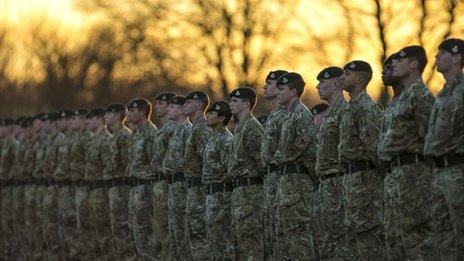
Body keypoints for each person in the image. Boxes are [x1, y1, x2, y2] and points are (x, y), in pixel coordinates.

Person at [378, 46, 437, 260]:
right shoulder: (401, 99)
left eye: (399, 60)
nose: (393, 63)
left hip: (414, 175)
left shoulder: (421, 95)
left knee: (416, 241)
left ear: (413, 64)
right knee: (395, 239)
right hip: (396, 176)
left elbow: (431, 139)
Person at [339, 60, 384, 259]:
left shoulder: (365, 108)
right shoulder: (352, 107)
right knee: (353, 240)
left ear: (358, 78)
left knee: (368, 239)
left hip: (365, 182)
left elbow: (375, 149)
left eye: (346, 74)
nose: (342, 77)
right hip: (352, 182)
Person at [424, 38, 464, 260]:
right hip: (440, 173)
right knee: (443, 239)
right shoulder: (442, 93)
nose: (436, 57)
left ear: (457, 57)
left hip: (458, 171)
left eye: (442, 54)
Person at [273, 73, 318, 259]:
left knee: (299, 236)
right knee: (288, 238)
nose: (277, 92)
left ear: (293, 92)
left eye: (281, 89)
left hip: (298, 182)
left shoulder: (301, 115)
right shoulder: (288, 115)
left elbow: (306, 151)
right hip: (288, 182)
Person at [315, 66, 350, 259]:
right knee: (328, 242)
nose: (318, 86)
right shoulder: (329, 114)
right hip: (326, 184)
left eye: (322, 82)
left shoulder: (344, 111)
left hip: (339, 182)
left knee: (341, 240)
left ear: (336, 84)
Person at [228, 86, 264, 260]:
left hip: (251, 192)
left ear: (246, 104)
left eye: (235, 101)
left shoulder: (252, 127)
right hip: (240, 192)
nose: (231, 104)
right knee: (242, 241)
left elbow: (261, 160)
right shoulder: (240, 127)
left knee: (251, 242)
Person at [379, 52, 405, 260]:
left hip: (410, 174)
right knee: (392, 237)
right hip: (391, 176)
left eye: (389, 68)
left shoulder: (415, 98)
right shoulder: (392, 103)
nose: (384, 73)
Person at [259, 69, 287, 260]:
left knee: (284, 236)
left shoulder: (285, 114)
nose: (265, 87)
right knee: (272, 236)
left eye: (269, 83)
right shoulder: (275, 114)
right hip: (271, 180)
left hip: (282, 179)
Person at [182, 91, 213, 259]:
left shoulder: (202, 128)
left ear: (200, 105)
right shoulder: (195, 127)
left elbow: (207, 160)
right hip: (194, 188)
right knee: (194, 236)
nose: (184, 105)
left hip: (200, 189)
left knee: (200, 237)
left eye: (189, 102)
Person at [126, 98, 158, 260]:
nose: (128, 114)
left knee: (146, 233)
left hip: (146, 189)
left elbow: (155, 164)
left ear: (143, 112)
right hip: (135, 188)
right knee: (136, 232)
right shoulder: (135, 134)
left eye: (132, 111)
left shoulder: (151, 133)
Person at [202, 100, 235, 260]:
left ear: (221, 118)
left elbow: (229, 170)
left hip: (222, 196)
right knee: (213, 242)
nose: (207, 116)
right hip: (211, 195)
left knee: (222, 242)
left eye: (212, 113)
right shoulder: (212, 138)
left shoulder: (226, 140)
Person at [104, 103, 137, 260]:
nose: (106, 117)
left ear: (118, 116)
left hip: (122, 189)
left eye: (109, 114)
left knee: (124, 230)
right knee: (116, 230)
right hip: (114, 188)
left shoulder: (124, 136)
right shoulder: (114, 136)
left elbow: (127, 164)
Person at [163, 95, 193, 260]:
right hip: (172, 186)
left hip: (182, 185)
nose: (169, 109)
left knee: (183, 232)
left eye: (172, 107)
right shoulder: (174, 130)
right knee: (174, 233)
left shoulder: (187, 130)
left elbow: (189, 161)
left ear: (182, 109)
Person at [150, 92, 177, 260]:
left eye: (160, 102)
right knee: (160, 234)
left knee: (168, 234)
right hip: (159, 186)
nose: (156, 106)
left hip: (168, 185)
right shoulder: (162, 130)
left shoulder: (174, 129)